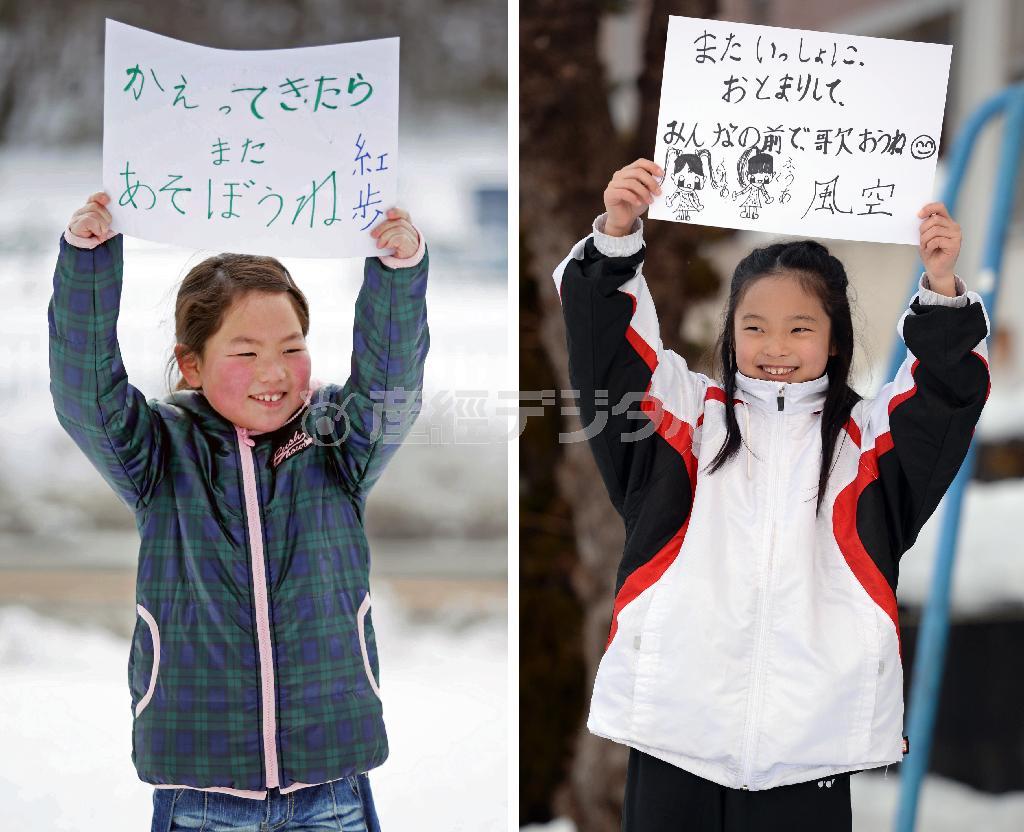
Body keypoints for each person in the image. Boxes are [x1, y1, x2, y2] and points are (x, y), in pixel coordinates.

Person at [552, 159, 991, 831]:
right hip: (678, 737)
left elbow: (947, 395)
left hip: (810, 750)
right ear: (730, 331)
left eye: (800, 327)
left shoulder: (869, 444)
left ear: (836, 337)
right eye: (753, 326)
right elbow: (608, 353)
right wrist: (616, 235)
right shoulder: (683, 420)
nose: (774, 345)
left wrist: (939, 288)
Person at [49, 192, 430, 831]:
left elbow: (394, 385)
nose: (274, 372)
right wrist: (88, 265)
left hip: (330, 785)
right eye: (247, 352)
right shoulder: (158, 453)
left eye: (292, 346)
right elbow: (85, 394)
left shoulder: (338, 440)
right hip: (201, 787)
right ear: (192, 365)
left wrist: (398, 275)